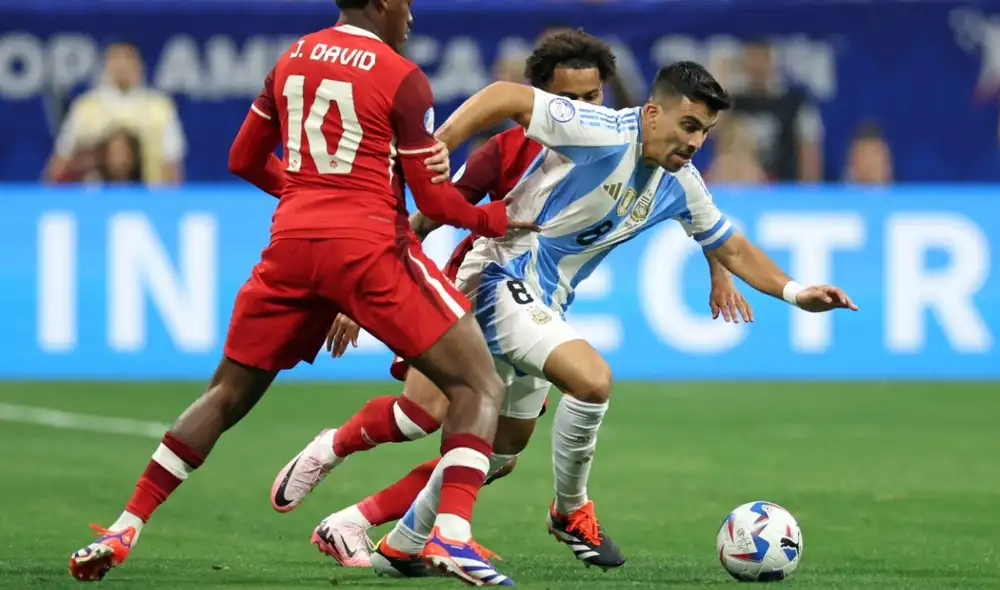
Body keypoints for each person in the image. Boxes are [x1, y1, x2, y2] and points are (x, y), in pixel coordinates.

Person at [67, 1, 536, 585]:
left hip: (292, 243)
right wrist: (495, 218)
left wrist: (310, 194)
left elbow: (242, 158)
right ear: (384, 3)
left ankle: (125, 524)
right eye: (407, 3)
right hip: (368, 248)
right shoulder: (401, 76)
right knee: (477, 383)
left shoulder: (291, 58)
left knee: (224, 395)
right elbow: (435, 204)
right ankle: (452, 534)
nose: (412, 14)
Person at [271, 31, 753, 576]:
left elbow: (693, 212)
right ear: (540, 101)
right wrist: (358, 290)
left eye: (593, 97)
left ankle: (362, 525)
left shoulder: (616, 146)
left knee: (500, 453)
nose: (581, 109)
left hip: (539, 302)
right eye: (567, 100)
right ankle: (330, 451)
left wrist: (719, 268)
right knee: (420, 414)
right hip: (482, 284)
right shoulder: (506, 153)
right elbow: (429, 215)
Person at [367, 60, 857, 578]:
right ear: (652, 113)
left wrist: (797, 292)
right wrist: (437, 145)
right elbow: (503, 95)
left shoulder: (681, 183)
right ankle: (569, 509)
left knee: (501, 448)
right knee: (592, 380)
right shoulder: (601, 130)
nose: (694, 142)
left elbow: (731, 245)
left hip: (544, 298)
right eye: (687, 125)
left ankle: (402, 544)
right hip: (501, 273)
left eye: (705, 132)